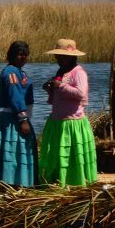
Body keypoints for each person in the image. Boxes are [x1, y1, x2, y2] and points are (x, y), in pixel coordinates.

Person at [39, 39, 98, 186]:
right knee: (58, 155)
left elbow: (81, 93)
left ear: (72, 57)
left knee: (71, 156)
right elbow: (59, 96)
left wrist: (61, 86)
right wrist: (51, 89)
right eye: (57, 56)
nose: (58, 59)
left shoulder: (78, 73)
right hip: (58, 122)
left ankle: (74, 181)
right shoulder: (61, 73)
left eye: (62, 56)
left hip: (73, 123)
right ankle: (56, 180)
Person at [0, 41, 38, 186]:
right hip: (12, 119)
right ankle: (10, 183)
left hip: (19, 117)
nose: (23, 57)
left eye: (26, 55)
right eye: (20, 54)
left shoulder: (19, 72)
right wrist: (23, 119)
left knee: (17, 151)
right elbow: (15, 95)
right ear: (12, 55)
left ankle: (21, 182)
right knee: (12, 152)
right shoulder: (10, 73)